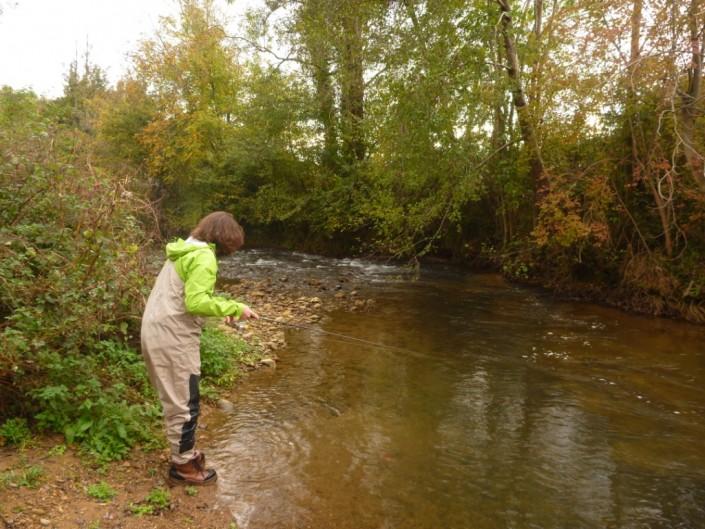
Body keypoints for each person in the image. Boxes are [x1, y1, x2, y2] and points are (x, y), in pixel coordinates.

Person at [141, 211, 258, 486]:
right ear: (224, 238)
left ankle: (186, 454)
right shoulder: (204, 256)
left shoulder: (184, 250)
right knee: (185, 401)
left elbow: (189, 296)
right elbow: (195, 303)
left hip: (156, 330)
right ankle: (183, 467)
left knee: (179, 397)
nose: (229, 252)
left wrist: (222, 309)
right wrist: (234, 307)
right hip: (173, 335)